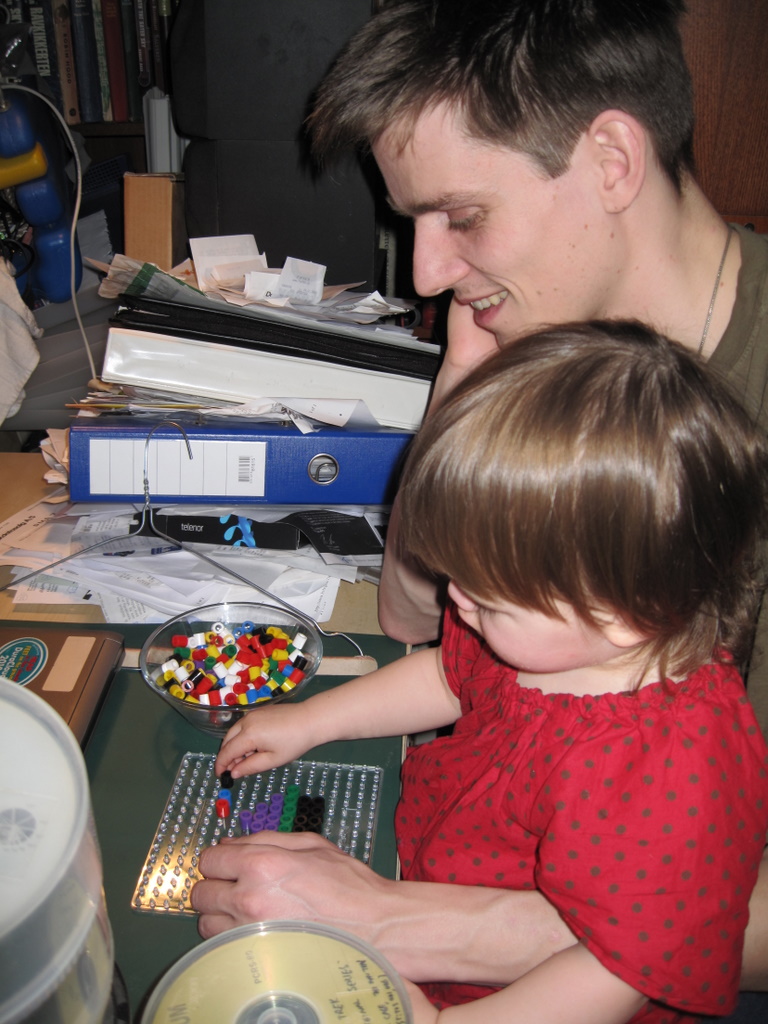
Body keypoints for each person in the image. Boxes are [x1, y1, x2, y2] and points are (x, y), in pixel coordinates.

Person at [192, 0, 768, 1012]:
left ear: (611, 162)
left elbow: (673, 926)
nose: (424, 272)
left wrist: (407, 921)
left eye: (461, 215)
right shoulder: (556, 359)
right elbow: (420, 618)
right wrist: (461, 387)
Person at [209, 323, 768, 1024]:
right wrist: (311, 721)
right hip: (441, 874)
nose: (456, 600)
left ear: (628, 612)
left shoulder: (667, 774)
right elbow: (450, 679)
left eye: (490, 598)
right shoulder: (558, 639)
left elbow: (612, 971)